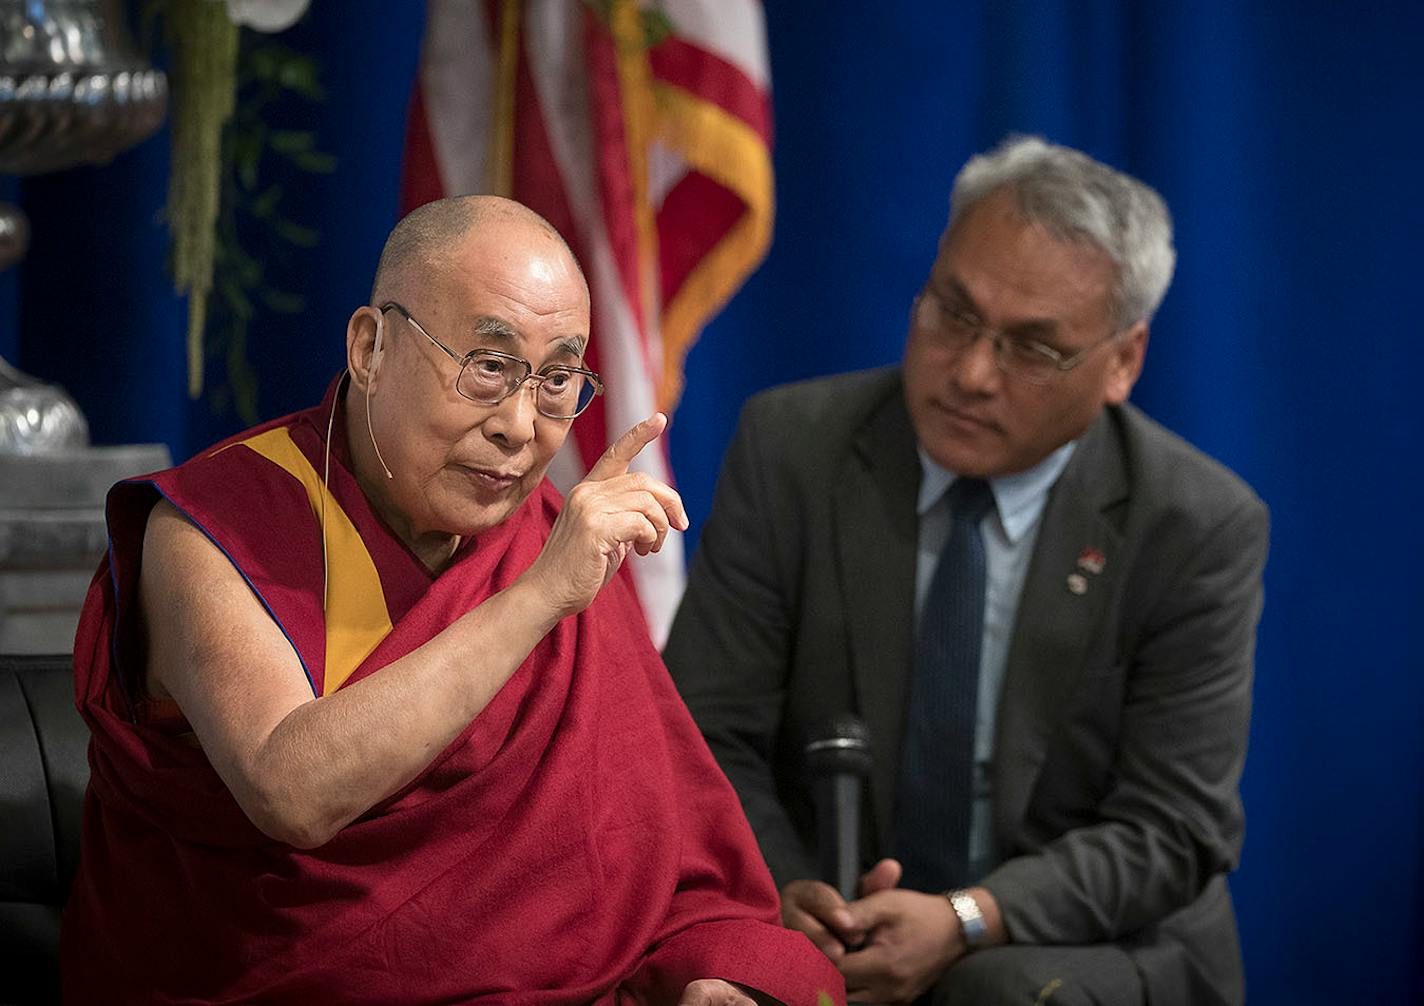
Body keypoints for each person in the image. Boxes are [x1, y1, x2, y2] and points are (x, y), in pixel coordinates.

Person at [60, 196, 843, 1006]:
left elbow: (665, 860)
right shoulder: (214, 529)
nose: (519, 425)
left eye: (557, 379)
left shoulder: (543, 538)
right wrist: (541, 597)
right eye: (489, 366)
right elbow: (289, 792)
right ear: (371, 347)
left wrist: (709, 975)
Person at [663, 136, 1268, 1006]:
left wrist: (970, 917)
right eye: (953, 313)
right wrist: (791, 898)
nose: (973, 373)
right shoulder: (792, 448)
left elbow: (1174, 828)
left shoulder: (1195, 525)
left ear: (1123, 362)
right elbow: (707, 731)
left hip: (1079, 941)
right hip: (829, 913)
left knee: (993, 993)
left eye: (1034, 349)